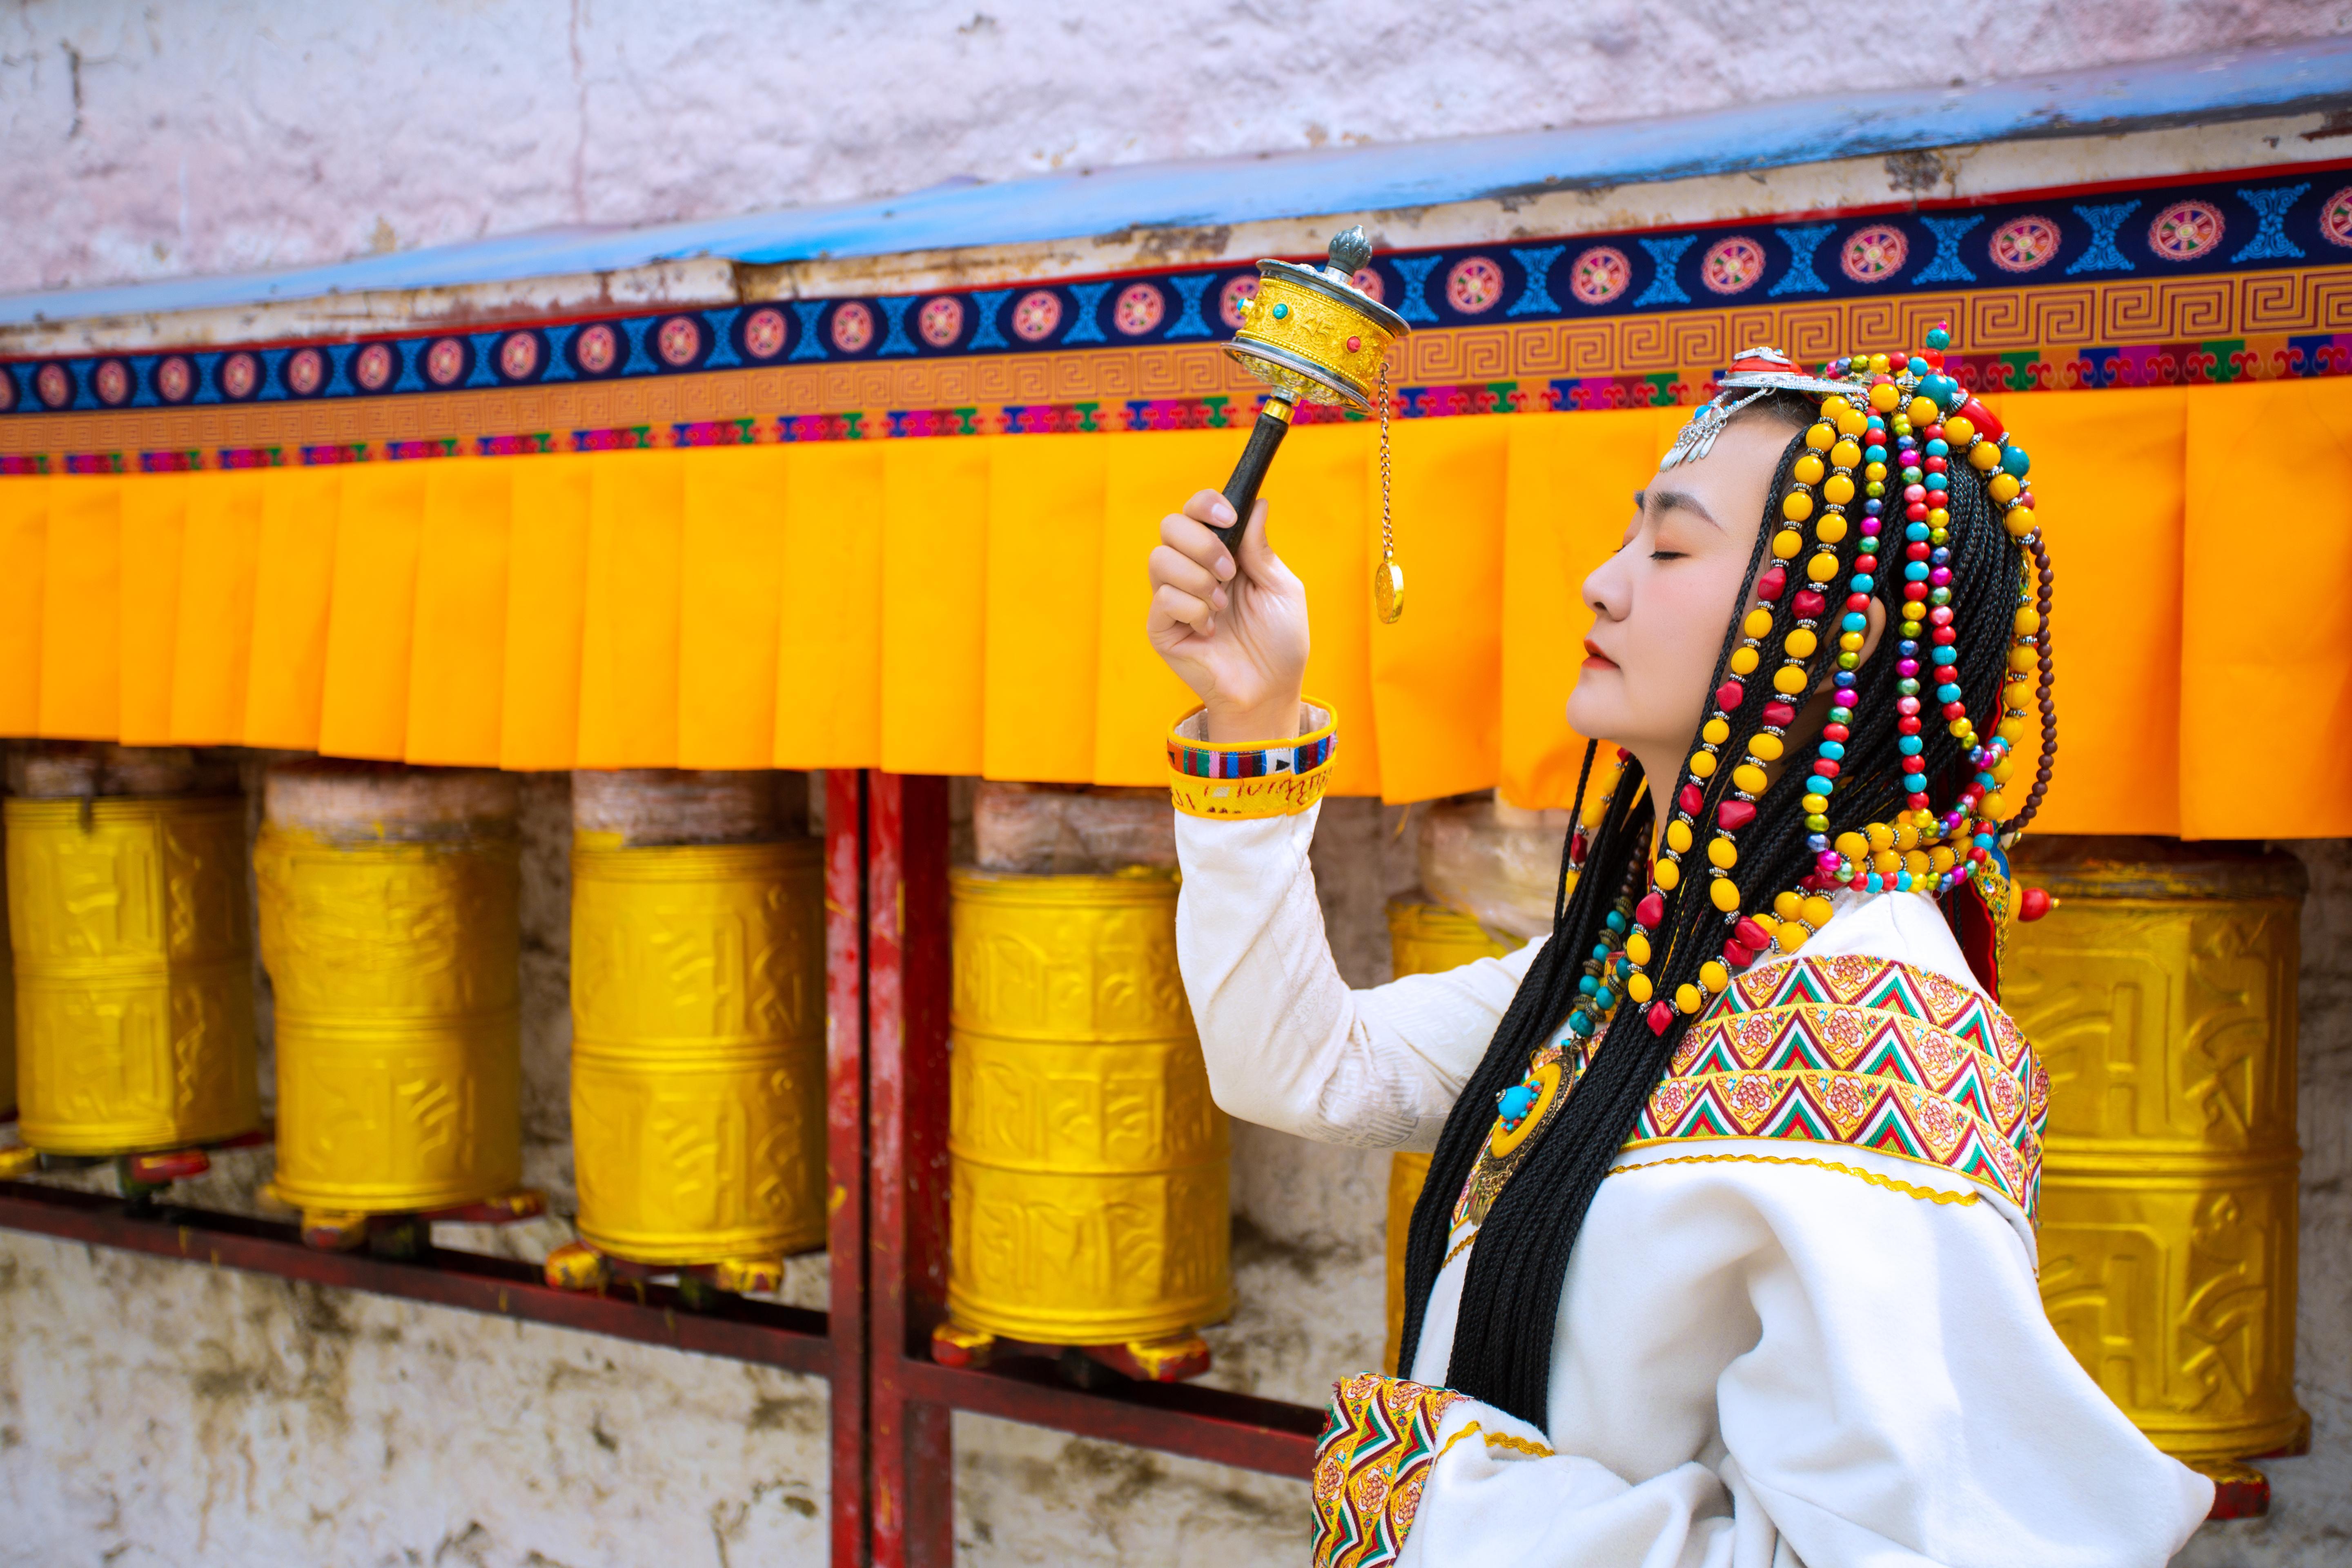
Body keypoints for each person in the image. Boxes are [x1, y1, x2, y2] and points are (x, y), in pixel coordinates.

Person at [1144, 339, 2212, 1566]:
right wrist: (1253, 711)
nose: (1601, 585)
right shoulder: (1648, 965)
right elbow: (1301, 1067)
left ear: (1843, 634)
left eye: (1668, 547)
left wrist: (1453, 1511)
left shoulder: (1873, 1039)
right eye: (1624, 539)